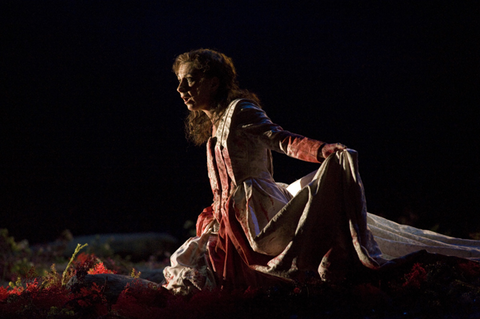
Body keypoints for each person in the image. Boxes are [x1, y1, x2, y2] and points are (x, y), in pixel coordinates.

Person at [163, 49, 480, 295]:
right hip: (232, 218)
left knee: (286, 271)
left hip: (259, 212)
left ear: (213, 81)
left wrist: (321, 151)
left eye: (189, 79)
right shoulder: (214, 125)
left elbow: (281, 139)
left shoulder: (240, 110)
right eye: (179, 81)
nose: (180, 88)